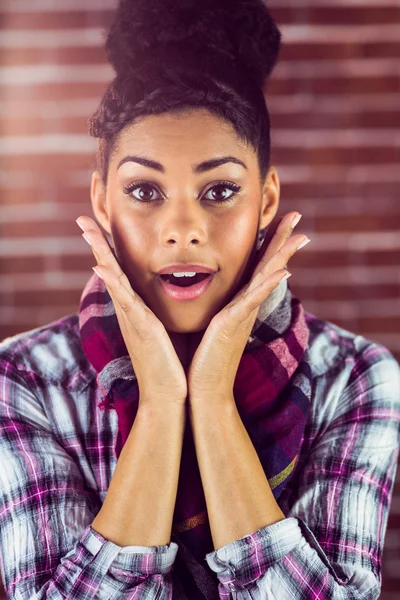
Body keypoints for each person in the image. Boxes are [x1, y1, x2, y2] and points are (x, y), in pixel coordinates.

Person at [0, 0, 399, 598]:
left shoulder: (357, 377)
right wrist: (162, 403)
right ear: (103, 201)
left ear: (265, 201)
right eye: (143, 189)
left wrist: (212, 401)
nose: (182, 229)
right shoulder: (24, 378)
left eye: (218, 190)